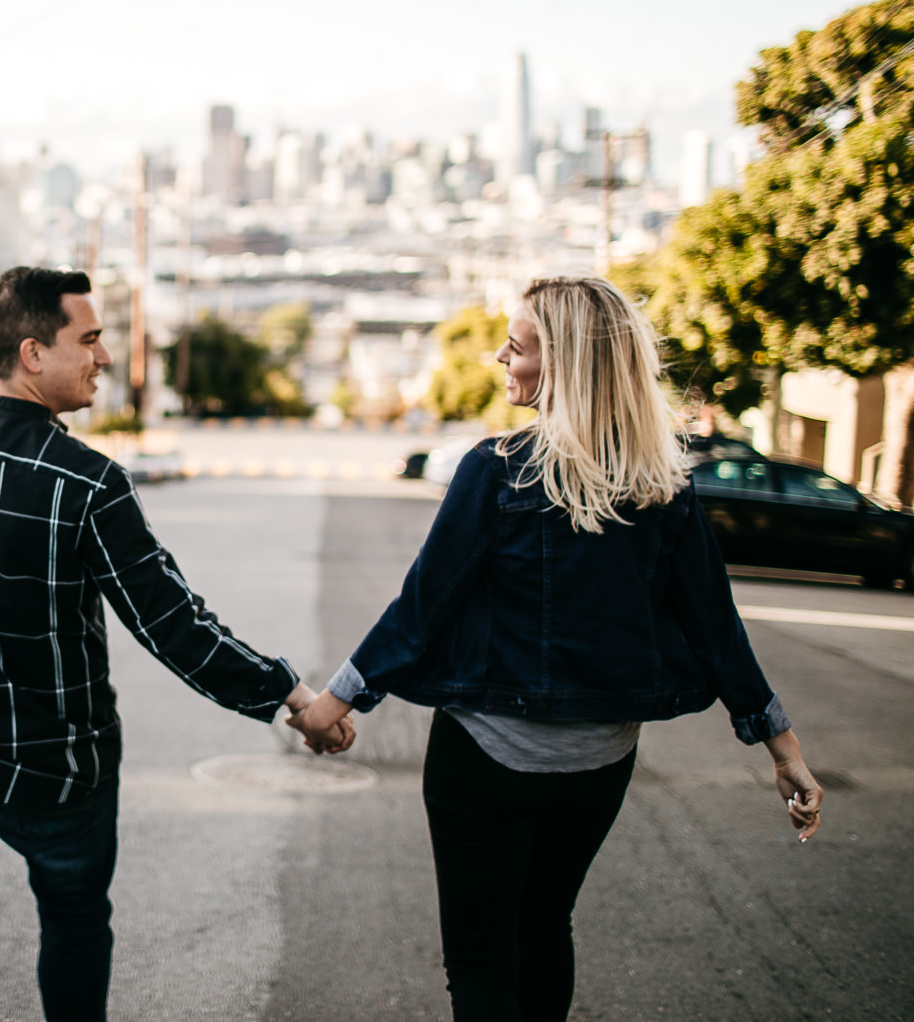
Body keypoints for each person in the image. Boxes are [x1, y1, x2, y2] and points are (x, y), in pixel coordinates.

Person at [288, 275, 823, 1022]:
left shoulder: (496, 468)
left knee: (481, 956)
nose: (500, 355)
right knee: (544, 928)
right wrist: (782, 744)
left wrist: (331, 704)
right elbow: (714, 622)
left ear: (565, 364)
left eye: (518, 344)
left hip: (483, 759)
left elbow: (421, 610)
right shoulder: (661, 483)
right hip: (598, 767)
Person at [0, 266, 349, 1022]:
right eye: (89, 339)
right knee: (75, 926)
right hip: (61, 770)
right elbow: (173, 624)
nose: (104, 358)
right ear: (31, 353)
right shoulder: (86, 484)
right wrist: (291, 694)